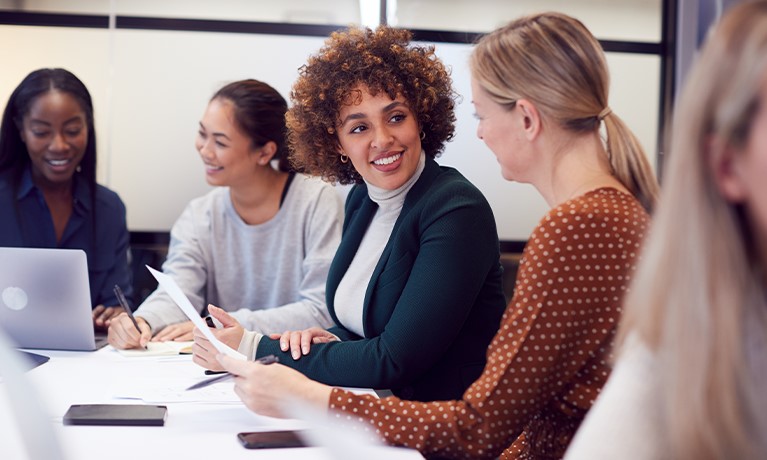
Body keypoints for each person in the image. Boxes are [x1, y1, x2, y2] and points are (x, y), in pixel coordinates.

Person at [213, 13, 659, 459]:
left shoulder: (577, 229)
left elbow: (477, 428)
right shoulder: (601, 217)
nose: (480, 132)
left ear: (526, 117)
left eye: (482, 116)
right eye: (359, 126)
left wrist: (311, 395)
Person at [193, 26, 507, 402]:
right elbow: (363, 326)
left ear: (421, 118)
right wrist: (323, 338)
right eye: (358, 127)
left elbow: (394, 359)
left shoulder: (455, 210)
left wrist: (253, 346)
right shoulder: (362, 199)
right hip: (374, 410)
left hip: (440, 431)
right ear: (336, 142)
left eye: (395, 117)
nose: (381, 140)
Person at [565, 3, 767, 459]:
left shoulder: (585, 217)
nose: (481, 133)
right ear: (727, 166)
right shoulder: (674, 364)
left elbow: (483, 416)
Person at [107, 79, 343, 350]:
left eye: (220, 141)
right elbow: (178, 291)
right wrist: (142, 322)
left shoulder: (316, 200)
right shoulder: (199, 214)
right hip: (219, 364)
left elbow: (320, 309)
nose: (205, 150)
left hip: (292, 362)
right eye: (202, 134)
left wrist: (220, 325)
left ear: (265, 152)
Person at [0, 68, 133, 329]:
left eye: (72, 130)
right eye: (41, 132)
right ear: (21, 130)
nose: (59, 145)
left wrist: (118, 318)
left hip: (88, 361)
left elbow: (118, 302)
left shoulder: (108, 209)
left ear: (88, 127)